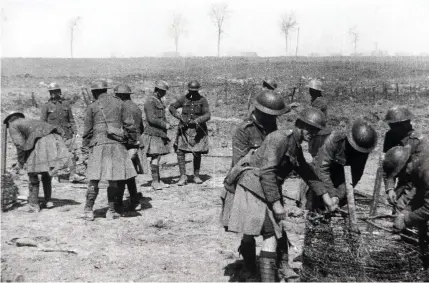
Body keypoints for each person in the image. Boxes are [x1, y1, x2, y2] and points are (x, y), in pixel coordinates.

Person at [223, 108, 337, 282]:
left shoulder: (294, 144)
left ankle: (253, 271)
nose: (312, 134)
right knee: (270, 234)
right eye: (309, 129)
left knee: (254, 231)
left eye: (315, 131)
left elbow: (307, 172)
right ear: (299, 124)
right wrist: (276, 204)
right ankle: (257, 273)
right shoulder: (280, 139)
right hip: (253, 186)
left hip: (260, 188)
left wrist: (326, 197)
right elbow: (267, 172)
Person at [221, 91, 290, 279]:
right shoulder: (244, 130)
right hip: (249, 184)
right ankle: (250, 269)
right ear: (260, 112)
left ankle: (282, 264)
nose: (273, 119)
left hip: (268, 183)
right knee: (249, 229)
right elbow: (241, 164)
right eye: (270, 115)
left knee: (275, 225)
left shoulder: (271, 125)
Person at [82, 80, 138, 221]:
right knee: (113, 179)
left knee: (94, 179)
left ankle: (88, 210)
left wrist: (85, 150)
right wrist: (131, 143)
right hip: (116, 144)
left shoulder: (92, 107)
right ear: (106, 90)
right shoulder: (120, 103)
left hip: (98, 144)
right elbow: (130, 126)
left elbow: (87, 132)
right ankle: (111, 211)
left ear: (94, 92)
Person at [3, 112, 71, 212]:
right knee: (45, 170)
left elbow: (20, 144)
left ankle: (33, 205)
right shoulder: (30, 121)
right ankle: (48, 201)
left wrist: (21, 162)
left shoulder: (13, 124)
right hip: (55, 139)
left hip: (42, 141)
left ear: (9, 121)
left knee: (32, 171)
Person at [307, 120, 378, 211]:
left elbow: (355, 175)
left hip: (340, 180)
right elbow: (321, 168)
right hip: (322, 177)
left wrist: (338, 196)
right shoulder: (334, 140)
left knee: (332, 209)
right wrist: (331, 193)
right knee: (313, 204)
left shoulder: (363, 148)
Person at [384, 144, 429, 271]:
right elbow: (419, 195)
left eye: (401, 174)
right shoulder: (419, 164)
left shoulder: (425, 172)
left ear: (405, 167)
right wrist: (404, 212)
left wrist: (406, 219)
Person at [381, 106, 424, 213]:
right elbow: (388, 166)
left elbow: (420, 175)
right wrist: (390, 189)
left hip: (417, 184)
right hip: (402, 182)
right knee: (397, 210)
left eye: (393, 125)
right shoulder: (390, 137)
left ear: (405, 124)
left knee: (404, 213)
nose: (391, 128)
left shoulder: (418, 141)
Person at [169, 80, 211, 186]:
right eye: (191, 91)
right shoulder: (184, 98)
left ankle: (196, 175)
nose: (193, 93)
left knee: (197, 152)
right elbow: (172, 107)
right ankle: (183, 176)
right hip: (184, 129)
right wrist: (178, 116)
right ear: (188, 90)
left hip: (197, 130)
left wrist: (199, 120)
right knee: (180, 152)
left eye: (195, 91)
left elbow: (207, 114)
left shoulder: (202, 100)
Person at [40, 82, 82, 182]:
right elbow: (42, 123)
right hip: (53, 135)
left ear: (59, 92)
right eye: (51, 92)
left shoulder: (66, 104)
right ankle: (54, 176)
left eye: (55, 92)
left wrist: (75, 131)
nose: (53, 94)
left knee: (71, 153)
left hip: (67, 133)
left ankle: (73, 175)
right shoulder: (46, 106)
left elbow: (71, 119)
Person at [113, 84, 144, 213]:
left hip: (126, 144)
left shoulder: (122, 107)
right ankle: (134, 200)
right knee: (130, 175)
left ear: (120, 95)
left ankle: (119, 203)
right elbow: (141, 128)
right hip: (134, 144)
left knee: (121, 175)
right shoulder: (136, 107)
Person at [142, 80, 171, 190]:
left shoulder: (157, 100)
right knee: (155, 157)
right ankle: (155, 182)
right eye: (163, 91)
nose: (165, 93)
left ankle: (157, 180)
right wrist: (165, 125)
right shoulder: (150, 101)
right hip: (153, 133)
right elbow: (151, 119)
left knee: (157, 157)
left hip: (159, 133)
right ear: (158, 90)